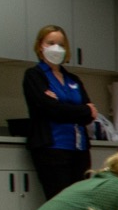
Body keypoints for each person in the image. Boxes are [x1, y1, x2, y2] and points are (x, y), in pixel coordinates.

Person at [23, 25, 98, 200]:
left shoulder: (73, 79)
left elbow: (90, 114)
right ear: (40, 45)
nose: (57, 48)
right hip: (52, 150)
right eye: (51, 43)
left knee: (80, 202)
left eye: (61, 44)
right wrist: (80, 110)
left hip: (79, 149)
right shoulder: (34, 75)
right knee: (59, 201)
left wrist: (64, 107)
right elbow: (48, 108)